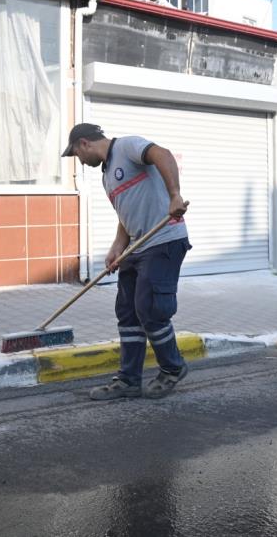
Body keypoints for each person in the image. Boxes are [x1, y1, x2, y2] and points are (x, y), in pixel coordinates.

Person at [62, 123, 191, 400]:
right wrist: (117, 248)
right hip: (136, 246)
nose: (80, 162)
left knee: (151, 308)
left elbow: (164, 155)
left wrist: (174, 195)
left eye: (76, 154)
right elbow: (126, 215)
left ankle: (172, 368)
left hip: (164, 239)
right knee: (128, 312)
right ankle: (129, 379)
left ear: (84, 143)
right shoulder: (107, 175)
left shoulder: (128, 146)